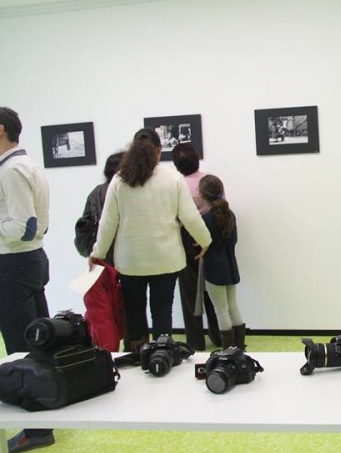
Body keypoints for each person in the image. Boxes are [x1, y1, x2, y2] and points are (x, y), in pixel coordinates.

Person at [89, 128, 211, 353]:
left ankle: (138, 355)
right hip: (166, 259)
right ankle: (162, 354)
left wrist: (98, 253)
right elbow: (190, 217)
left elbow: (108, 223)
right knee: (162, 310)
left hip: (130, 261)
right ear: (159, 150)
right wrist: (205, 240)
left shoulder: (120, 180)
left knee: (134, 311)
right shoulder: (173, 178)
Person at [0, 107, 55, 453]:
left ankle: (37, 428)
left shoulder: (11, 171)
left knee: (22, 347)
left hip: (14, 264)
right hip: (30, 261)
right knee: (38, 342)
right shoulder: (28, 165)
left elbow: (24, 226)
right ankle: (44, 415)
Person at [172, 142, 221, 350]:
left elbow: (176, 216)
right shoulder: (210, 180)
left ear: (176, 165)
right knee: (213, 289)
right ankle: (219, 336)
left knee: (190, 291)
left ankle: (195, 341)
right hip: (213, 234)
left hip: (187, 238)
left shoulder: (177, 185)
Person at [197, 174, 247, 349]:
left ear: (202, 195)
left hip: (214, 269)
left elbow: (202, 243)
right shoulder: (230, 215)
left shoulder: (205, 219)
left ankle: (228, 349)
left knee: (220, 309)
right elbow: (234, 240)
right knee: (232, 306)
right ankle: (239, 346)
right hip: (231, 265)